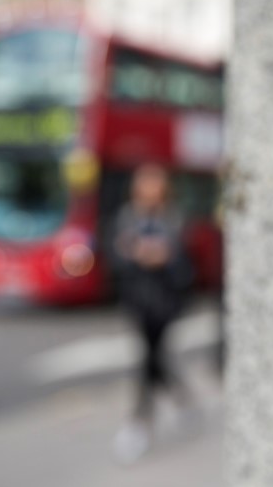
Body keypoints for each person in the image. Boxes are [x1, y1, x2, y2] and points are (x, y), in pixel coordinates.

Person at [111, 164, 194, 464]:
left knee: (149, 359)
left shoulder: (172, 216)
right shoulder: (128, 216)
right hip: (138, 300)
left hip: (165, 302)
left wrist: (161, 256)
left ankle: (138, 424)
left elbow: (179, 259)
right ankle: (184, 402)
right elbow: (118, 253)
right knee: (154, 357)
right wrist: (137, 253)